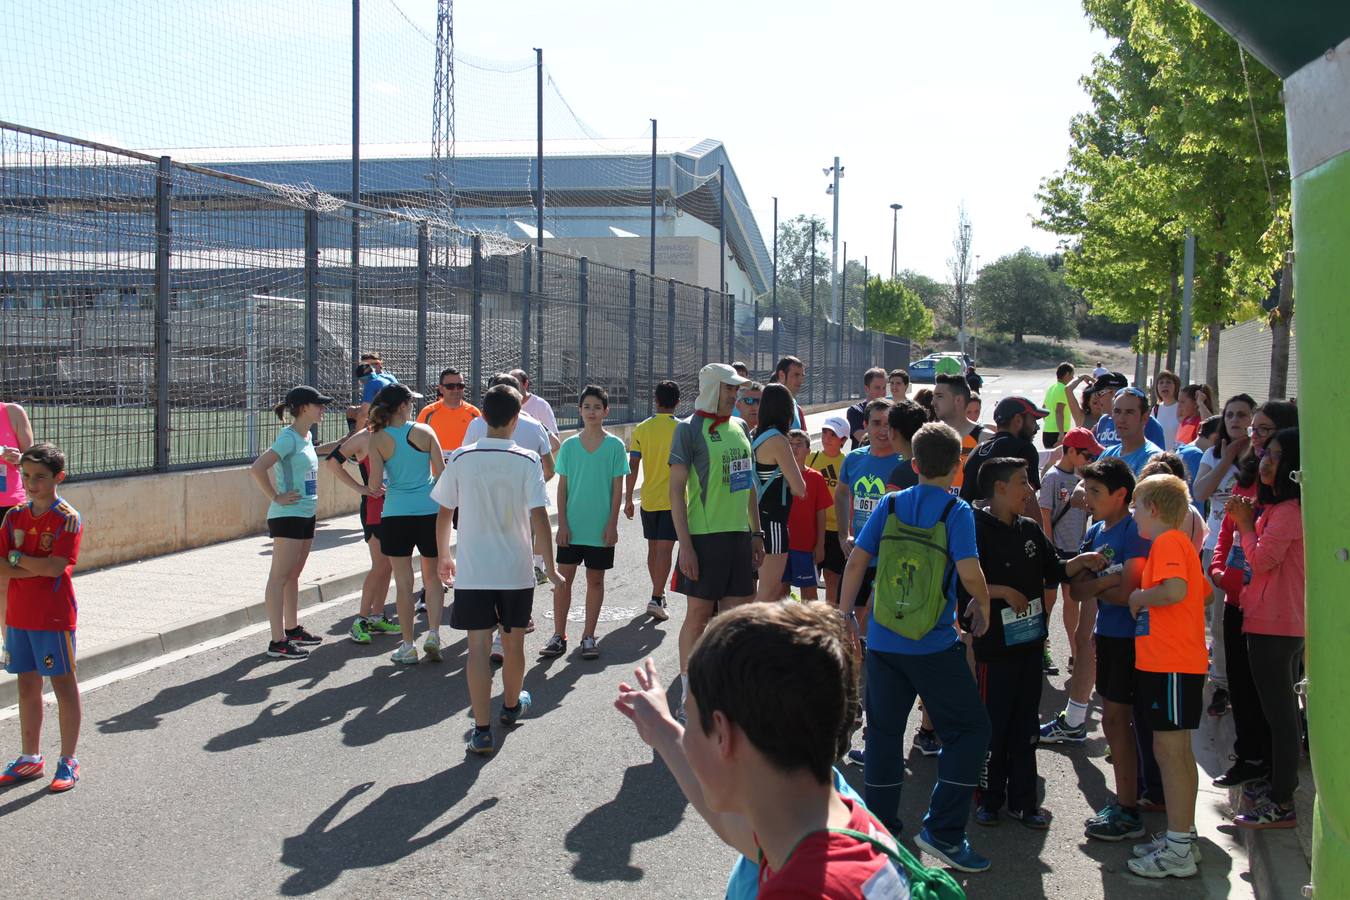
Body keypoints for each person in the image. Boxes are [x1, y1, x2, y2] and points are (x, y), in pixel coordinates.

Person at [614, 603, 947, 897]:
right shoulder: (833, 820)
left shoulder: (802, 890)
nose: (686, 736)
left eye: (689, 719)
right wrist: (662, 728)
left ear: (723, 735)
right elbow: (732, 825)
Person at [840, 421, 995, 873]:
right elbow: (968, 572)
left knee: (885, 734)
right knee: (970, 729)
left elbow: (856, 562)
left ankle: (881, 829)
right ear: (957, 466)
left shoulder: (889, 505)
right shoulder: (956, 511)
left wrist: (847, 613)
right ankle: (944, 832)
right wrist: (981, 606)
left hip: (885, 640)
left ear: (914, 464)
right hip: (932, 644)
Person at [966, 457, 1104, 828]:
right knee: (993, 726)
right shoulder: (973, 529)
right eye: (1022, 482)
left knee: (1026, 725)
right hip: (993, 649)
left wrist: (1082, 561)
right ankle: (988, 799)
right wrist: (1002, 592)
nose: (1030, 490)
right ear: (999, 488)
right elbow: (961, 584)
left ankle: (1025, 802)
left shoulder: (1029, 530)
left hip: (1030, 647)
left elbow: (1055, 568)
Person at [433, 384, 563, 755]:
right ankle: (509, 706)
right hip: (514, 570)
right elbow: (540, 519)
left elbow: (444, 512)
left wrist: (444, 555)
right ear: (517, 417)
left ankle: (481, 729)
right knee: (514, 642)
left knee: (476, 649)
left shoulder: (460, 457)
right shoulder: (526, 460)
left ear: (483, 417)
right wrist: (550, 569)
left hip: (473, 571)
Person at [1124, 473, 1212, 879]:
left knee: (1172, 752)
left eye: (1136, 506)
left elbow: (1175, 590)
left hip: (1172, 664)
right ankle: (1182, 837)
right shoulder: (1173, 543)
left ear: (1153, 509)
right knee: (1171, 751)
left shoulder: (1168, 541)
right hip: (1169, 663)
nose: (1133, 514)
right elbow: (1199, 592)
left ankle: (1178, 847)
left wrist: (1139, 597)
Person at [1207, 398, 1298, 785]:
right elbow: (1229, 526)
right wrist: (1219, 567)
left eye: (1265, 431)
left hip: (1267, 604)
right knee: (1242, 686)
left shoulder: (1288, 498)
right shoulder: (1249, 472)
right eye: (1254, 430)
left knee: (1270, 697)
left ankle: (1272, 772)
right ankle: (1249, 757)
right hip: (1236, 595)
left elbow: (1262, 552)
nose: (1256, 440)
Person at [669, 363, 764, 722]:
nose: (735, 395)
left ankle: (729, 695)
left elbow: (748, 484)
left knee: (737, 621)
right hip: (704, 540)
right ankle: (689, 694)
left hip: (739, 538)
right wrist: (686, 545)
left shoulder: (740, 426)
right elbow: (675, 492)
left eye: (736, 390)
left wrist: (755, 532)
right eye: (729, 389)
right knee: (697, 617)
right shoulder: (688, 430)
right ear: (712, 388)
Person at [1067, 459, 1152, 842]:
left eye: (1096, 492)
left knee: (1121, 720)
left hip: (1136, 639)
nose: (1087, 497)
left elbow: (1130, 593)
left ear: (1122, 495)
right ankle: (1129, 801)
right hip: (1109, 635)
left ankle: (1130, 808)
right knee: (1114, 720)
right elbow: (1077, 590)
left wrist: (1105, 584)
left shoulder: (1135, 531)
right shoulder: (1096, 531)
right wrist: (1109, 582)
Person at [1227, 427, 1303, 830]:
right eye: (1265, 452)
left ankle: (1282, 802)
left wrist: (1245, 523)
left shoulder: (1289, 511)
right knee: (1277, 714)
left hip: (1278, 627)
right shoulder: (1278, 508)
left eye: (1276, 454)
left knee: (1282, 717)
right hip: (1269, 621)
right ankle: (1276, 783)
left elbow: (1260, 561)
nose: (1266, 460)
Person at [0, 443, 83, 792]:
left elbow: (54, 568)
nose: (32, 484)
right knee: (26, 685)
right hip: (18, 616)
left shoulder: (67, 518)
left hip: (53, 618)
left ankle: (68, 760)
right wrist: (23, 563)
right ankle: (30, 757)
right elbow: (0, 565)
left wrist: (19, 560)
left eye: (40, 477)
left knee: (63, 687)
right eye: (26, 476)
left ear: (58, 478)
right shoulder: (13, 515)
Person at [543, 385, 629, 661]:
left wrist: (612, 524)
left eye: (597, 407)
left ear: (606, 411)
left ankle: (589, 635)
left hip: (600, 529)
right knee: (563, 581)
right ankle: (559, 635)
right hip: (572, 527)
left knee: (595, 580)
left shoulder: (615, 446)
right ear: (579, 411)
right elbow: (562, 488)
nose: (592, 411)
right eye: (587, 407)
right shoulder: (568, 446)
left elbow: (618, 489)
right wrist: (563, 524)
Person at [249, 385, 332, 660]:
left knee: (293, 575)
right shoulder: (288, 438)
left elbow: (318, 454)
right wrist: (275, 496)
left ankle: (292, 628)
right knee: (278, 577)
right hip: (288, 515)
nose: (323, 408)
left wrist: (351, 439)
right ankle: (277, 642)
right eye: (318, 404)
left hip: (306, 513)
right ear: (303, 407)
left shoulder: (306, 436)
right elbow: (258, 467)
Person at [367, 383, 446, 666]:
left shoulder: (376, 438)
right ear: (402, 405)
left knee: (403, 582)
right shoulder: (425, 431)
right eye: (409, 401)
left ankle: (408, 644)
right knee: (433, 576)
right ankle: (434, 633)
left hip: (396, 513)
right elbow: (441, 475)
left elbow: (375, 484)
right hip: (429, 511)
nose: (412, 404)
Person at [1193, 393, 1257, 737]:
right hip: (1216, 545)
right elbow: (1200, 492)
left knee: (1235, 618)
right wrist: (1227, 458)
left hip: (1247, 548)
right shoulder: (1213, 453)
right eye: (1230, 415)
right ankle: (1222, 679)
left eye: (1242, 415)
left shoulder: (1261, 457)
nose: (1235, 420)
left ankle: (1233, 680)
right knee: (1214, 617)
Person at [1037, 427, 1103, 686]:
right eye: (1087, 455)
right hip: (1055, 551)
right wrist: (1050, 548)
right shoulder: (1053, 477)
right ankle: (1042, 648)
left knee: (1072, 599)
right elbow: (1045, 515)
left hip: (1077, 548)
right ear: (1072, 451)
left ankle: (1076, 655)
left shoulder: (1083, 478)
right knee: (1048, 601)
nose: (1090, 460)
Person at [325, 426, 399, 643]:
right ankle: (360, 620)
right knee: (380, 565)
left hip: (395, 506)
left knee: (388, 565)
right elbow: (332, 462)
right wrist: (361, 488)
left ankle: (377, 616)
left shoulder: (398, 433)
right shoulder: (364, 436)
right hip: (374, 509)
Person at [835, 398, 900, 643]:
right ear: (865, 425)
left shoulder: (905, 464)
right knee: (846, 621)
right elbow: (841, 492)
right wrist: (843, 534)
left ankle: (871, 674)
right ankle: (852, 674)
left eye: (888, 424)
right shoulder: (853, 459)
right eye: (876, 423)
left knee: (874, 626)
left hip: (890, 558)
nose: (883, 430)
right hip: (859, 555)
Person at [625, 380, 681, 622]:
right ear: (678, 403)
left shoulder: (642, 429)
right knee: (666, 550)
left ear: (655, 401)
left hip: (648, 499)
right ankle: (657, 597)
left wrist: (628, 498)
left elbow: (633, 465)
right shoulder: (682, 429)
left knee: (654, 549)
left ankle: (657, 593)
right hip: (675, 500)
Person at [751, 384, 808, 604]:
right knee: (768, 592)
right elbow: (799, 488)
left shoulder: (755, 434)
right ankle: (741, 636)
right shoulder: (778, 440)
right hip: (773, 522)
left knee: (755, 591)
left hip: (754, 518)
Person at [960, 397, 1044, 518]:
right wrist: (1040, 535)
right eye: (1033, 421)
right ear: (1018, 420)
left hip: (972, 529)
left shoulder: (976, 450)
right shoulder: (1024, 449)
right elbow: (1027, 500)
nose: (1036, 428)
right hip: (1003, 532)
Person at [463, 374, 556, 478]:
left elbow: (464, 461)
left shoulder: (476, 424)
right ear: (518, 396)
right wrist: (531, 485)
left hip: (483, 491)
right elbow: (550, 470)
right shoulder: (536, 426)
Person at [781, 429, 830, 601]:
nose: (794, 449)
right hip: (781, 546)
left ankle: (809, 627)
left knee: (809, 595)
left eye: (799, 445)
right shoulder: (779, 475)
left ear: (808, 450)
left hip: (806, 546)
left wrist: (820, 544)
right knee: (781, 594)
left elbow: (821, 512)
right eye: (790, 445)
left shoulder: (815, 478)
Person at [807, 417, 850, 606]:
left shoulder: (848, 462)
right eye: (825, 432)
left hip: (837, 530)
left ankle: (830, 621)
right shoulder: (811, 458)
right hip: (814, 528)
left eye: (833, 435)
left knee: (832, 579)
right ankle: (811, 621)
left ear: (843, 440)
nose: (827, 437)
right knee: (809, 581)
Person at [0, 399, 35, 627]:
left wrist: (19, 458)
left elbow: (34, 460)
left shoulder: (12, 413)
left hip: (9, 509)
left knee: (7, 580)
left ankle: (9, 646)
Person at [932, 373, 986, 496]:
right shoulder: (929, 437)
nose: (933, 402)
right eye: (933, 397)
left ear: (958, 400)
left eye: (939, 397)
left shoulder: (984, 438)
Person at [417, 367, 481, 464]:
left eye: (460, 385)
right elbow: (417, 444)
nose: (456, 390)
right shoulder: (427, 413)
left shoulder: (474, 413)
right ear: (441, 389)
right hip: (436, 476)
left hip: (464, 474)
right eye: (450, 386)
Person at [1100, 387, 1164, 476]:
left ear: (1145, 417)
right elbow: (1084, 486)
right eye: (1117, 411)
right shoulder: (1108, 453)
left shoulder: (1154, 459)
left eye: (1129, 412)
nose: (1121, 419)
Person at [510, 367, 561, 448]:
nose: (512, 387)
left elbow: (554, 441)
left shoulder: (541, 405)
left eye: (515, 383)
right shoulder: (506, 406)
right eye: (509, 384)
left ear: (525, 384)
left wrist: (535, 457)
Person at [349, 352, 396, 431]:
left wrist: (356, 435)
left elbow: (363, 414)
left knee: (357, 414)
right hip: (395, 416)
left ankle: (356, 438)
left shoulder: (372, 382)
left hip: (387, 420)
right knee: (352, 411)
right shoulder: (386, 377)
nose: (367, 367)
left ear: (379, 364)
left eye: (371, 364)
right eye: (365, 365)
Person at [846, 367, 889, 450]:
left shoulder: (891, 410)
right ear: (866, 389)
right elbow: (863, 438)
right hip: (861, 461)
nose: (882, 392)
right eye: (877, 388)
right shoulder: (855, 411)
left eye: (884, 388)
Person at [1043, 363, 1077, 449]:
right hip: (1058, 433)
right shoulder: (1063, 389)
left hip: (1047, 431)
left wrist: (1049, 423)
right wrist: (1061, 434)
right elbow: (1059, 411)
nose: (1073, 378)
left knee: (1050, 461)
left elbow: (1043, 408)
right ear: (1067, 374)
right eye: (1072, 375)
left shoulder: (1051, 388)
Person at [771, 356, 808, 429]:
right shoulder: (764, 404)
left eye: (802, 376)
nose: (800, 381)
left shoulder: (796, 408)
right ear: (781, 375)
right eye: (796, 375)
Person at [1151, 370, 1182, 451]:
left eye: (1168, 382)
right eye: (1161, 382)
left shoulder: (1182, 408)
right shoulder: (1155, 410)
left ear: (1176, 386)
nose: (1164, 385)